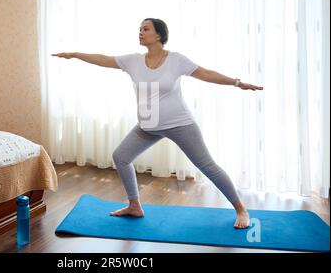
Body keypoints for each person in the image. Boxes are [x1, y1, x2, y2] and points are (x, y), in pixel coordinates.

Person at [52, 18, 263, 229]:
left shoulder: (176, 60)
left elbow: (205, 73)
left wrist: (237, 83)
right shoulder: (132, 61)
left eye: (146, 29)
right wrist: (75, 55)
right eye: (139, 29)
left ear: (159, 35)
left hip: (179, 124)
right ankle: (134, 205)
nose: (140, 32)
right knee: (121, 156)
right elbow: (102, 59)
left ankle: (240, 210)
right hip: (148, 126)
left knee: (207, 166)